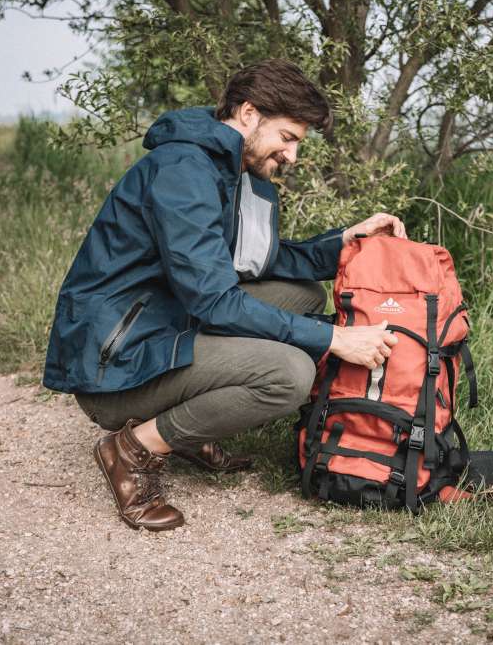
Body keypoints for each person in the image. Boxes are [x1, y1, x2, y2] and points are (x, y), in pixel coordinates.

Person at [42, 58, 404, 531]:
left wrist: (344, 241)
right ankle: (132, 450)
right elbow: (214, 301)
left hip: (165, 326)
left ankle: (192, 427)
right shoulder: (184, 170)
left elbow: (262, 262)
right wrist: (333, 340)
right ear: (249, 114)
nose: (292, 155)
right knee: (289, 373)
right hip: (115, 365)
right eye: (288, 138)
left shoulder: (232, 170)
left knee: (303, 295)